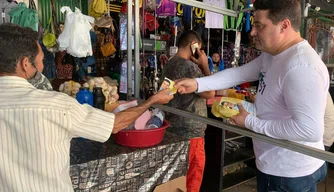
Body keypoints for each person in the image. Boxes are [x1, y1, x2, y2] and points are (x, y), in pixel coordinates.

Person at [174, 0, 328, 191]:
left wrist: (250, 123)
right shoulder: (273, 55)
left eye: (259, 25)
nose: (252, 32)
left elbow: (309, 130)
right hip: (275, 165)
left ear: (284, 25)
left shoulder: (302, 67)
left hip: (288, 173)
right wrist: (198, 83)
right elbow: (239, 73)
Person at [0, 23, 173, 192]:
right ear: (25, 64)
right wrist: (152, 101)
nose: (43, 67)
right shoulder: (56, 105)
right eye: (41, 61)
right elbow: (115, 124)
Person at [161, 30, 215, 192]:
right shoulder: (189, 67)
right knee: (191, 182)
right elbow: (210, 93)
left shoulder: (170, 63)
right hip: (191, 133)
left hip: (173, 129)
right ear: (194, 46)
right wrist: (204, 65)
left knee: (175, 181)